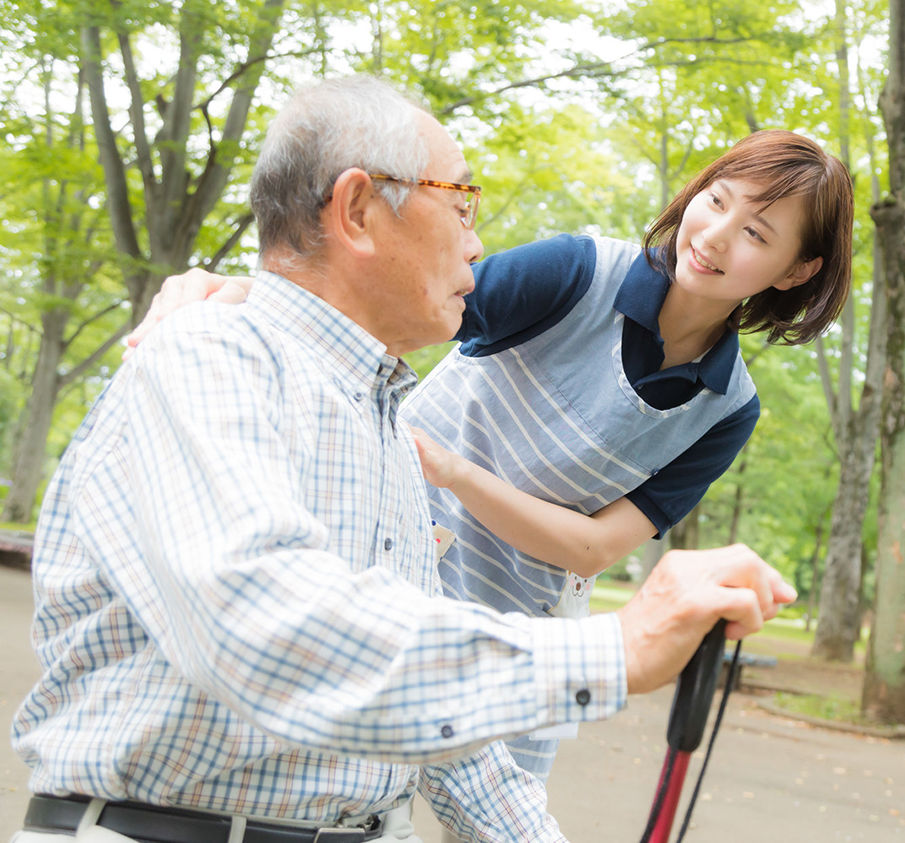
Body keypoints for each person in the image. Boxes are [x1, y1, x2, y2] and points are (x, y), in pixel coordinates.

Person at [11, 75, 795, 843]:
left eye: (758, 232)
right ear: (357, 210)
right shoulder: (210, 358)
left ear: (797, 272)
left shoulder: (387, 432)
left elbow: (444, 740)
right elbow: (271, 632)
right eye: (460, 204)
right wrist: (617, 646)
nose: (479, 242)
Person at [132, 127, 854, 788]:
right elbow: (393, 310)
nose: (717, 236)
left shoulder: (728, 407)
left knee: (493, 813)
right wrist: (239, 294)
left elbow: (594, 546)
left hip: (527, 628)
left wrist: (454, 471)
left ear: (796, 271)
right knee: (314, 785)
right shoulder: (579, 272)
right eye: (716, 200)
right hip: (388, 562)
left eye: (756, 232)